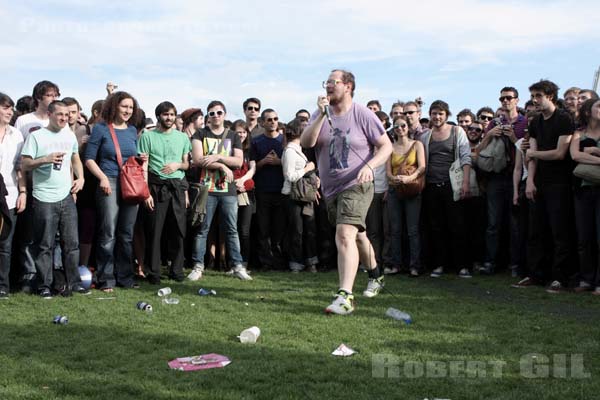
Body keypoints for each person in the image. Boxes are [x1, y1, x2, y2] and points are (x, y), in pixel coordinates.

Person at [301, 69, 393, 315]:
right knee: (356, 236)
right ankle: (376, 275)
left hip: (357, 183)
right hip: (332, 188)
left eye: (333, 82)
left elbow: (386, 146)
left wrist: (370, 167)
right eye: (327, 82)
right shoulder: (319, 114)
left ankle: (345, 296)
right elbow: (307, 143)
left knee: (344, 234)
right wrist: (320, 115)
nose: (328, 86)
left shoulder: (362, 114)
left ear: (348, 86)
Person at [20, 100, 87, 298]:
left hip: (66, 196)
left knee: (72, 244)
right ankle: (44, 285)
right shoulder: (36, 137)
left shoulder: (69, 135)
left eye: (66, 115)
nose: (64, 119)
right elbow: (24, 164)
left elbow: (75, 158)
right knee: (45, 245)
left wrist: (81, 177)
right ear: (49, 114)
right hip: (43, 197)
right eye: (60, 115)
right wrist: (44, 159)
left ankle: (73, 283)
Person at [514, 80, 575, 293]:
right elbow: (533, 157)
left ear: (550, 96)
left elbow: (559, 154)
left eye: (538, 95)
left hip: (560, 183)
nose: (534, 100)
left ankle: (560, 277)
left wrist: (533, 153)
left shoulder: (564, 119)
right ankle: (536, 274)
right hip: (539, 181)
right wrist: (530, 181)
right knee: (535, 230)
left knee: (559, 231)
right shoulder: (536, 122)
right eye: (532, 96)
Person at [84, 91, 142, 292]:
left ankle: (125, 277)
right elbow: (89, 158)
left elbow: (131, 158)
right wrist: (102, 178)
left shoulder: (133, 130)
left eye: (131, 108)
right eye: (124, 106)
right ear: (114, 106)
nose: (127, 111)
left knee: (126, 234)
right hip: (108, 181)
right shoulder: (101, 129)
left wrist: (140, 159)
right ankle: (105, 279)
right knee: (108, 232)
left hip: (130, 184)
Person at [188, 101, 252, 281]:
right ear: (208, 116)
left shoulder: (233, 135)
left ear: (224, 114)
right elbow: (199, 159)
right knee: (202, 229)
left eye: (218, 112)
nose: (215, 116)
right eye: (211, 113)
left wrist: (216, 157)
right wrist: (223, 166)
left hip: (228, 190)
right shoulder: (200, 133)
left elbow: (238, 161)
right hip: (206, 188)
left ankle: (237, 266)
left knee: (231, 229)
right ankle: (198, 266)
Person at [138, 101, 191, 284]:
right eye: (165, 114)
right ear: (159, 116)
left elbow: (186, 164)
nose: (168, 118)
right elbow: (143, 166)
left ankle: (176, 270)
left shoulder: (183, 138)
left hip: (177, 186)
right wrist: (146, 193)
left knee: (178, 230)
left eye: (171, 114)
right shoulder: (147, 136)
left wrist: (178, 165)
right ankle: (153, 272)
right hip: (155, 186)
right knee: (154, 231)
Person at [419, 100, 472, 278]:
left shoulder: (457, 131)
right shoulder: (426, 135)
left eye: (440, 113)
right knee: (436, 227)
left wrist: (465, 182)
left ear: (446, 115)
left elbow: (465, 157)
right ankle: (439, 264)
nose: (437, 116)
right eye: (434, 113)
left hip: (453, 184)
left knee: (457, 225)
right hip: (432, 186)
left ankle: (462, 266)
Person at [386, 115, 425, 277]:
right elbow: (387, 171)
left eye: (403, 126)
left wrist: (409, 178)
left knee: (413, 230)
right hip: (395, 190)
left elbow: (422, 167)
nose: (400, 129)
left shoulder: (417, 144)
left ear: (408, 127)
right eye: (396, 126)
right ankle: (396, 264)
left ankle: (414, 265)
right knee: (395, 230)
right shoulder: (390, 147)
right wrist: (394, 179)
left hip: (412, 189)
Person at [570, 98, 600, 295]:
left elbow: (582, 154)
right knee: (584, 237)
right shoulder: (578, 133)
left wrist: (594, 150)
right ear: (588, 111)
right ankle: (586, 279)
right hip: (582, 190)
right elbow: (575, 156)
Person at [250, 108, 286, 270]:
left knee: (279, 231)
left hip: (282, 191)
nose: (273, 122)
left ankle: (278, 262)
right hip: (262, 190)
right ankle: (265, 263)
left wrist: (280, 162)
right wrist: (263, 162)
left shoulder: (284, 141)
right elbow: (250, 168)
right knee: (263, 230)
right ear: (262, 122)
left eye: (275, 119)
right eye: (269, 119)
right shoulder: (256, 142)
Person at [281, 118, 319, 273]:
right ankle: (296, 263)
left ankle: (310, 261)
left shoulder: (298, 149)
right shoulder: (290, 151)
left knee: (309, 230)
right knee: (296, 232)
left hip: (304, 196)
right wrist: (307, 168)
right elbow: (289, 175)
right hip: (293, 196)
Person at [0, 93, 26, 299]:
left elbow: (21, 167)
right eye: (5, 107)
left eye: (11, 108)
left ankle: (3, 285)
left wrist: (23, 192)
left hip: (9, 194)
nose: (10, 112)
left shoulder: (16, 134)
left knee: (5, 243)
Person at [231, 120, 256, 270]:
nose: (241, 135)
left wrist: (242, 180)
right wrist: (235, 183)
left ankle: (244, 262)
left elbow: (252, 169)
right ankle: (232, 262)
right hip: (230, 192)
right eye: (238, 131)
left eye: (243, 132)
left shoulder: (250, 150)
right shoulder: (228, 149)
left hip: (246, 193)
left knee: (244, 230)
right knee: (231, 229)